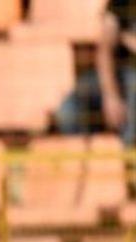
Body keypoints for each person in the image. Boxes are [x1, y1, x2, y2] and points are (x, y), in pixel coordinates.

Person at [57, 0, 136, 144]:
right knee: (69, 110)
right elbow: (105, 48)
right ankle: (83, 156)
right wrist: (111, 95)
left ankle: (129, 155)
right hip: (115, 74)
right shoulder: (122, 3)